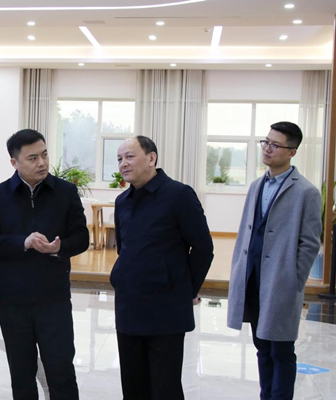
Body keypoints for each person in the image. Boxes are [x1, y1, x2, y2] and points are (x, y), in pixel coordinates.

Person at [0, 129, 89, 400]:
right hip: (13, 299)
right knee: (21, 373)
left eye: (44, 154)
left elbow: (82, 237)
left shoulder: (65, 192)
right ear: (14, 162)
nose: (42, 162)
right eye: (32, 158)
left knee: (61, 370)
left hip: (54, 297)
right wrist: (22, 243)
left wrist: (59, 247)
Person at [111, 136, 214, 400]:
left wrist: (186, 290)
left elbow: (203, 248)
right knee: (133, 386)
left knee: (164, 388)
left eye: (130, 156)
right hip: (129, 305)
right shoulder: (122, 201)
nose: (123, 163)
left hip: (166, 308)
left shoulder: (179, 195)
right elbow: (125, 249)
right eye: (120, 159)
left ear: (152, 158)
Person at [227, 122, 322, 400]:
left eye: (275, 145)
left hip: (281, 282)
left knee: (281, 350)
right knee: (262, 346)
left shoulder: (306, 192)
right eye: (266, 142)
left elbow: (309, 243)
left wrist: (293, 279)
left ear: (292, 152)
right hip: (252, 278)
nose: (267, 149)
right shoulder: (257, 186)